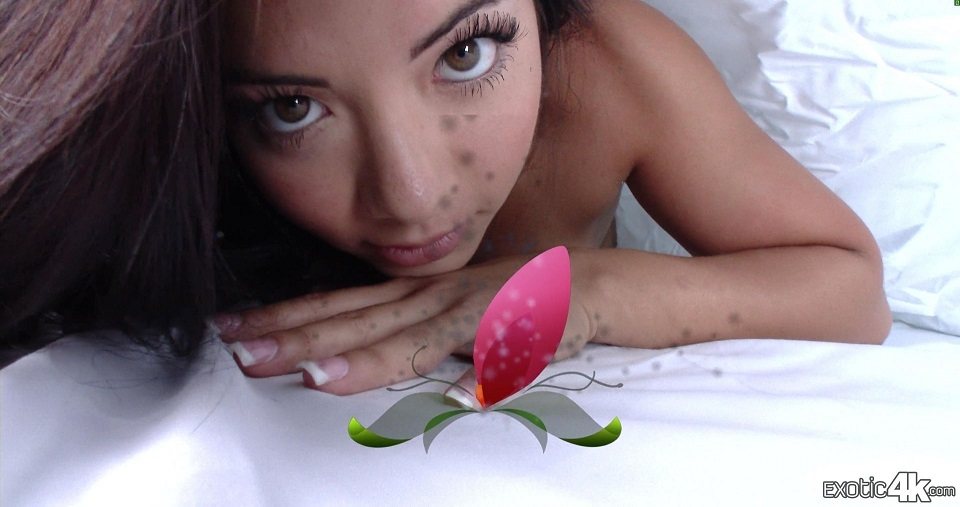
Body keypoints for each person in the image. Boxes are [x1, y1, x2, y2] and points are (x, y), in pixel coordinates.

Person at [212, 0, 892, 396]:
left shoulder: (605, 65)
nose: (411, 196)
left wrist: (589, 289)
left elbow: (852, 288)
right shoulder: (183, 132)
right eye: (292, 108)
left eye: (465, 54)